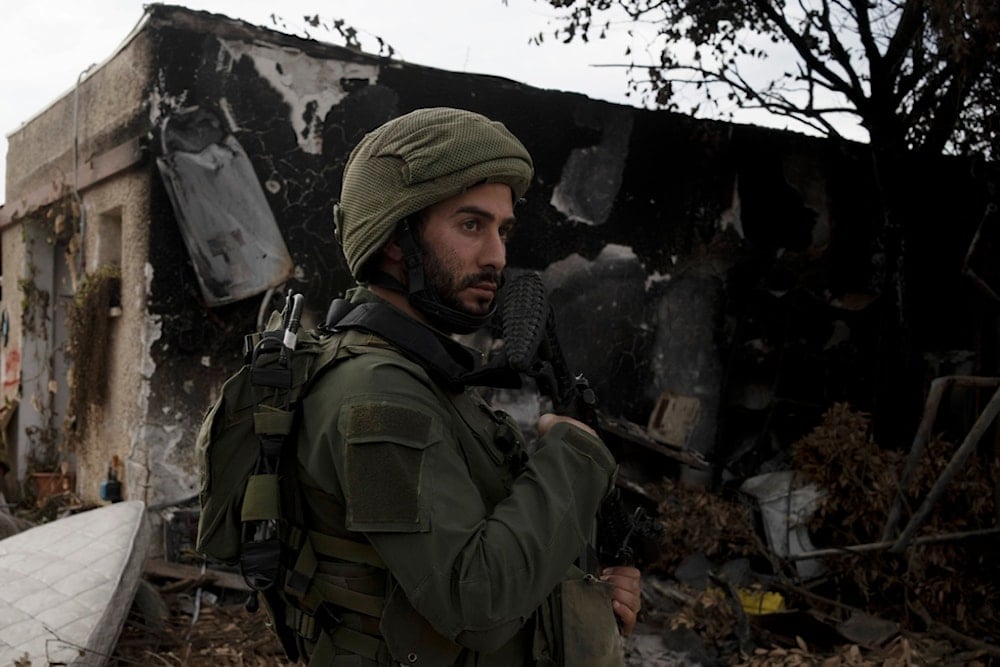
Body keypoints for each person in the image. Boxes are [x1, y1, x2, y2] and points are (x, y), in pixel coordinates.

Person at [293, 107, 641, 666]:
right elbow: (474, 601)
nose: (497, 256)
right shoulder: (377, 396)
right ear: (394, 241)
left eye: (503, 230)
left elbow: (482, 543)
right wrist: (572, 450)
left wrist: (584, 591)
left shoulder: (424, 375)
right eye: (471, 225)